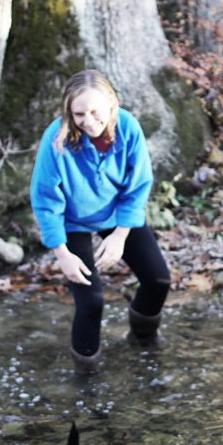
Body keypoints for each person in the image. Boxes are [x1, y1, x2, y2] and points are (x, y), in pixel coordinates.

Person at [30, 69, 171, 375]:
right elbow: (45, 200)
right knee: (91, 301)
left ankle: (143, 340)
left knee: (159, 280)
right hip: (71, 222)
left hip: (116, 215)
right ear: (69, 111)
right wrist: (62, 254)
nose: (89, 121)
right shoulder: (56, 139)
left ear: (111, 104)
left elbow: (138, 185)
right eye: (79, 114)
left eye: (95, 111)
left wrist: (120, 236)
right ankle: (87, 376)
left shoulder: (129, 128)